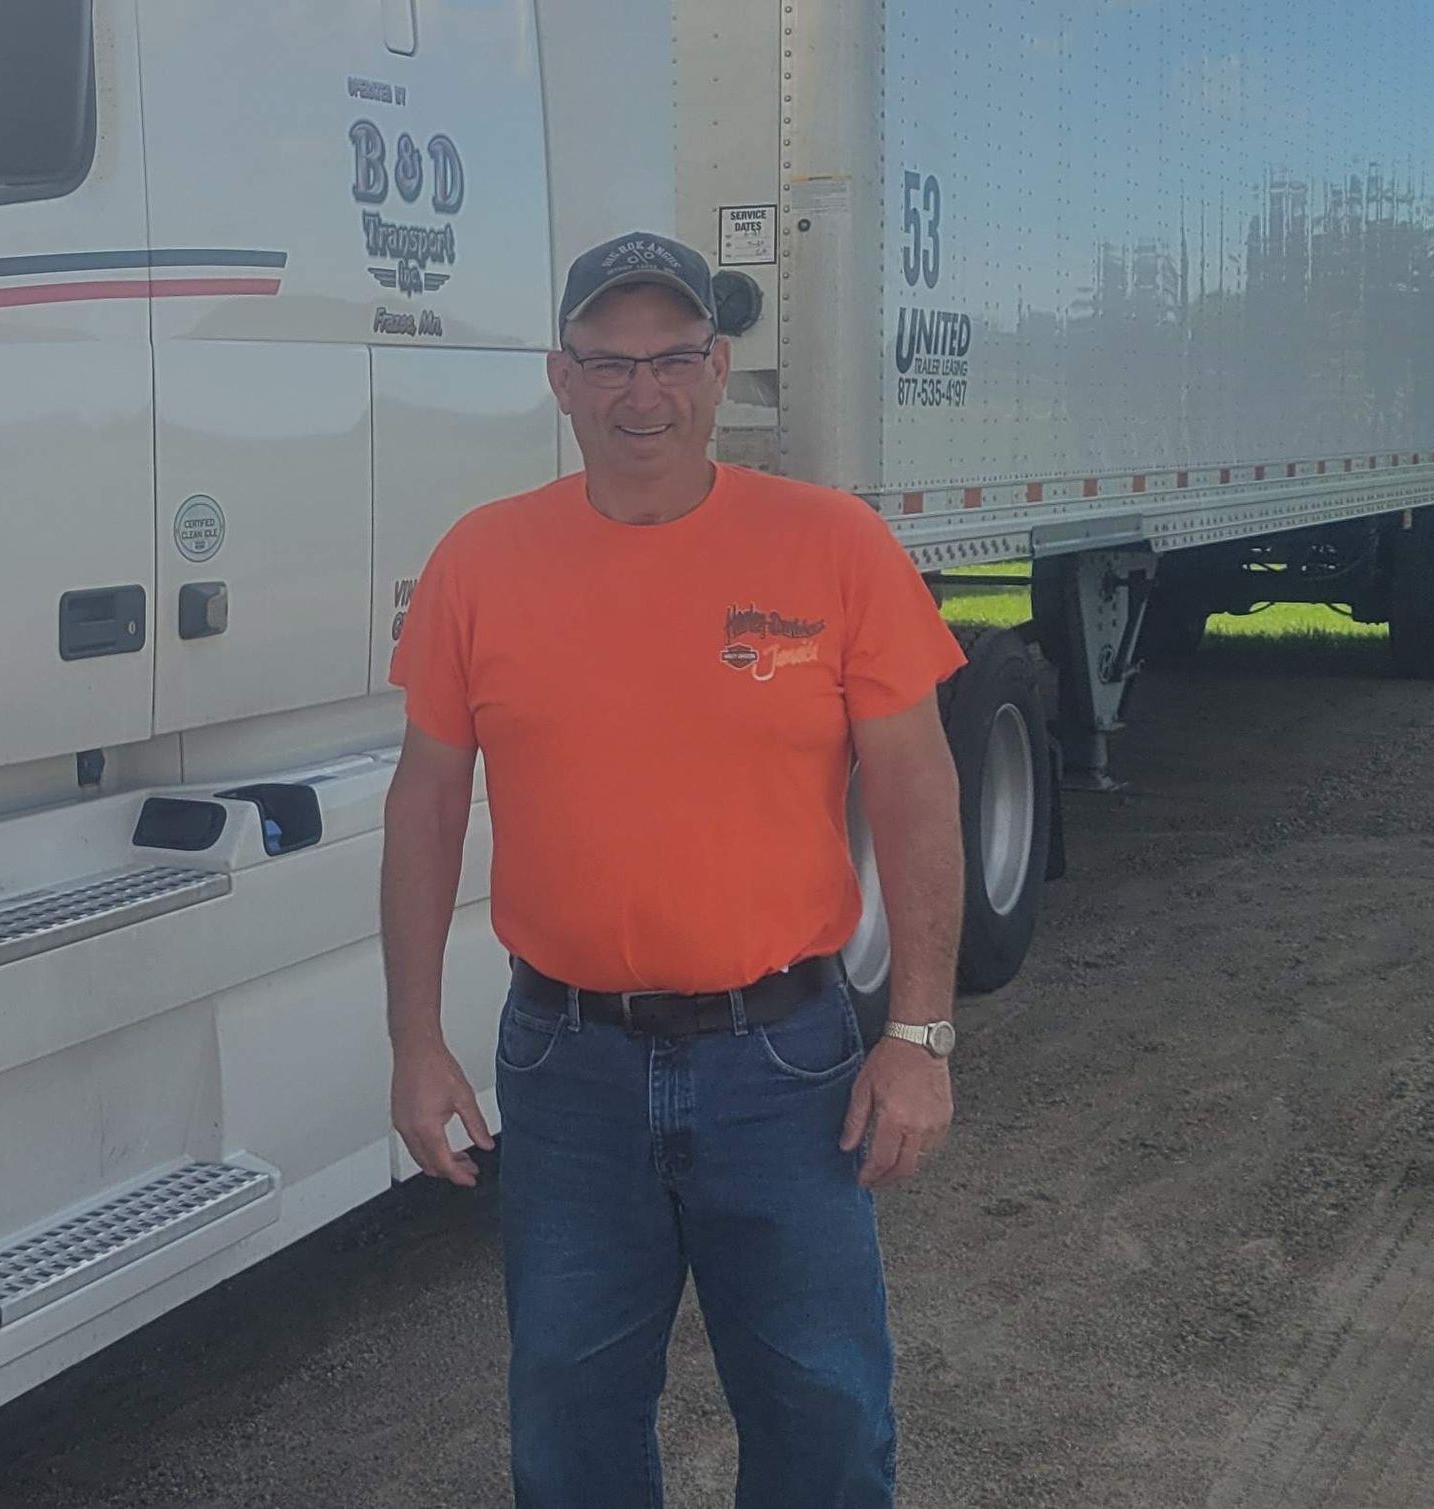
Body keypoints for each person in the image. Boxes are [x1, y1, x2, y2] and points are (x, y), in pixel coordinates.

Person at [381, 229, 966, 1508]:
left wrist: (918, 1031)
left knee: (823, 1412)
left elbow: (918, 789)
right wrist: (415, 1038)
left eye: (672, 360)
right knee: (571, 1419)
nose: (641, 395)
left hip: (785, 1061)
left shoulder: (833, 545)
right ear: (560, 378)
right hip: (565, 1068)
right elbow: (426, 805)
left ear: (719, 370)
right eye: (608, 363)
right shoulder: (479, 561)